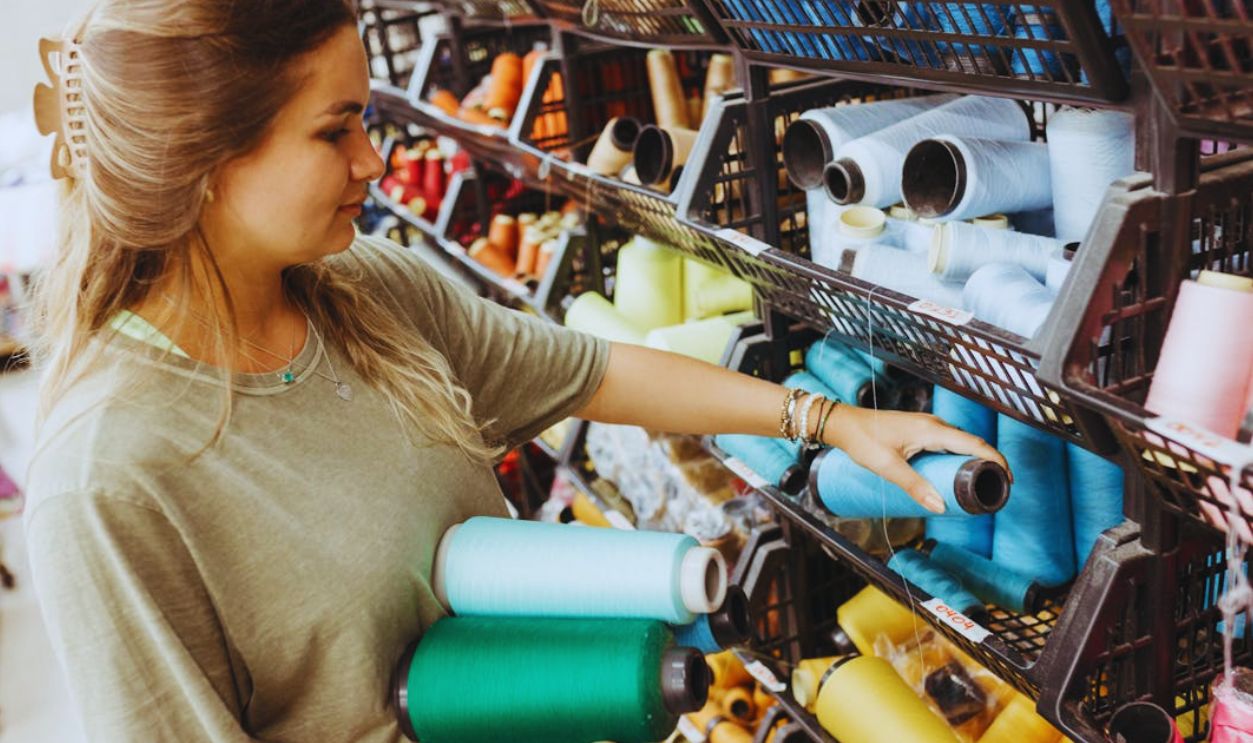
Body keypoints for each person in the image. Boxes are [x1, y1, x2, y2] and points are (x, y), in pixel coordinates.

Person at [23, 2, 1007, 741]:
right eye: (334, 131)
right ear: (202, 161)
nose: (372, 160)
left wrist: (829, 421)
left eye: (366, 118)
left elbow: (585, 370)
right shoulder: (109, 478)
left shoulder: (365, 291)